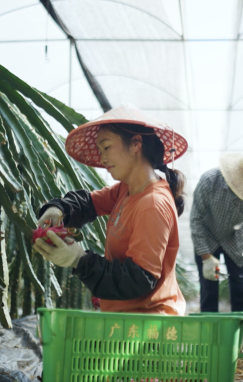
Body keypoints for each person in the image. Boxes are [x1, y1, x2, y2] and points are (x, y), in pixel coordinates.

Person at [33, 104, 189, 315]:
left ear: (136, 144)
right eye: (99, 150)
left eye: (106, 147)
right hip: (124, 320)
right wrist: (59, 208)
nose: (102, 158)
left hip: (148, 327)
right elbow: (88, 203)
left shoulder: (152, 204)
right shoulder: (126, 190)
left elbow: (139, 279)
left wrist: (79, 260)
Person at [190, 153, 243, 312]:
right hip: (207, 237)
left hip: (236, 239)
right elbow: (196, 219)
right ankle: (211, 333)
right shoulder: (209, 181)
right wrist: (205, 255)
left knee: (241, 288)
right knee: (209, 290)